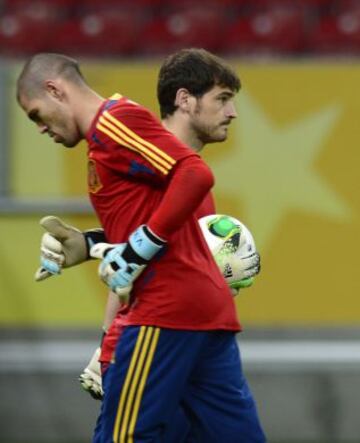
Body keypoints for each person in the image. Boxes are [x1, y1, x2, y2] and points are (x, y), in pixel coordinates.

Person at [17, 50, 266, 442]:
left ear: (54, 89)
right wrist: (89, 245)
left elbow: (148, 241)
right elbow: (140, 242)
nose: (232, 112)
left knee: (125, 437)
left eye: (35, 114)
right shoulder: (122, 143)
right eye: (222, 98)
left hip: (164, 313)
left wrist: (108, 342)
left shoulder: (116, 125)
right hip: (200, 315)